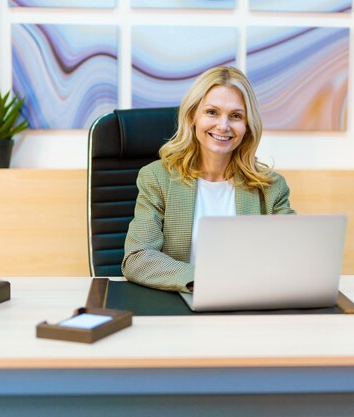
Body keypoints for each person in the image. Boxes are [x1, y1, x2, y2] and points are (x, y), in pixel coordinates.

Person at [122, 66, 295, 293]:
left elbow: (293, 254)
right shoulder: (158, 178)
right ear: (193, 116)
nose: (223, 126)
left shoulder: (271, 187)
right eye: (212, 112)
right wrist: (203, 281)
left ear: (247, 126)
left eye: (236, 116)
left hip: (250, 304)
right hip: (183, 302)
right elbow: (137, 257)